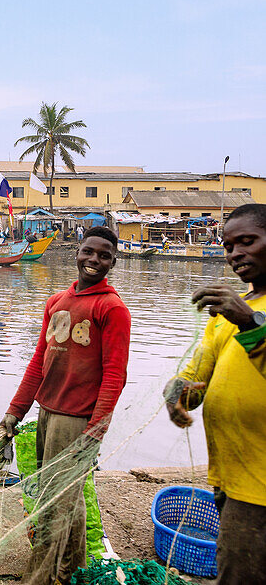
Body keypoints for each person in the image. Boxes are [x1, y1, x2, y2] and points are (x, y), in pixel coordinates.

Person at [0, 226, 131, 585]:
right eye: (89, 252)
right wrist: (15, 411)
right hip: (47, 412)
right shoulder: (57, 302)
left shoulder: (112, 308)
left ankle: (38, 579)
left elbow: (114, 375)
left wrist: (96, 430)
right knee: (64, 501)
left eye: (104, 256)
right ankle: (71, 572)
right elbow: (39, 361)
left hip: (77, 421)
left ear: (113, 262)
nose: (94, 260)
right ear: (78, 252)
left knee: (55, 506)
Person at [164, 203, 266, 584]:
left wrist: (248, 321)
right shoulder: (229, 313)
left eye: (247, 241)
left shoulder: (242, 313)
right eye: (228, 245)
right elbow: (195, 377)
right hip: (231, 480)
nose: (235, 253)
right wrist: (175, 393)